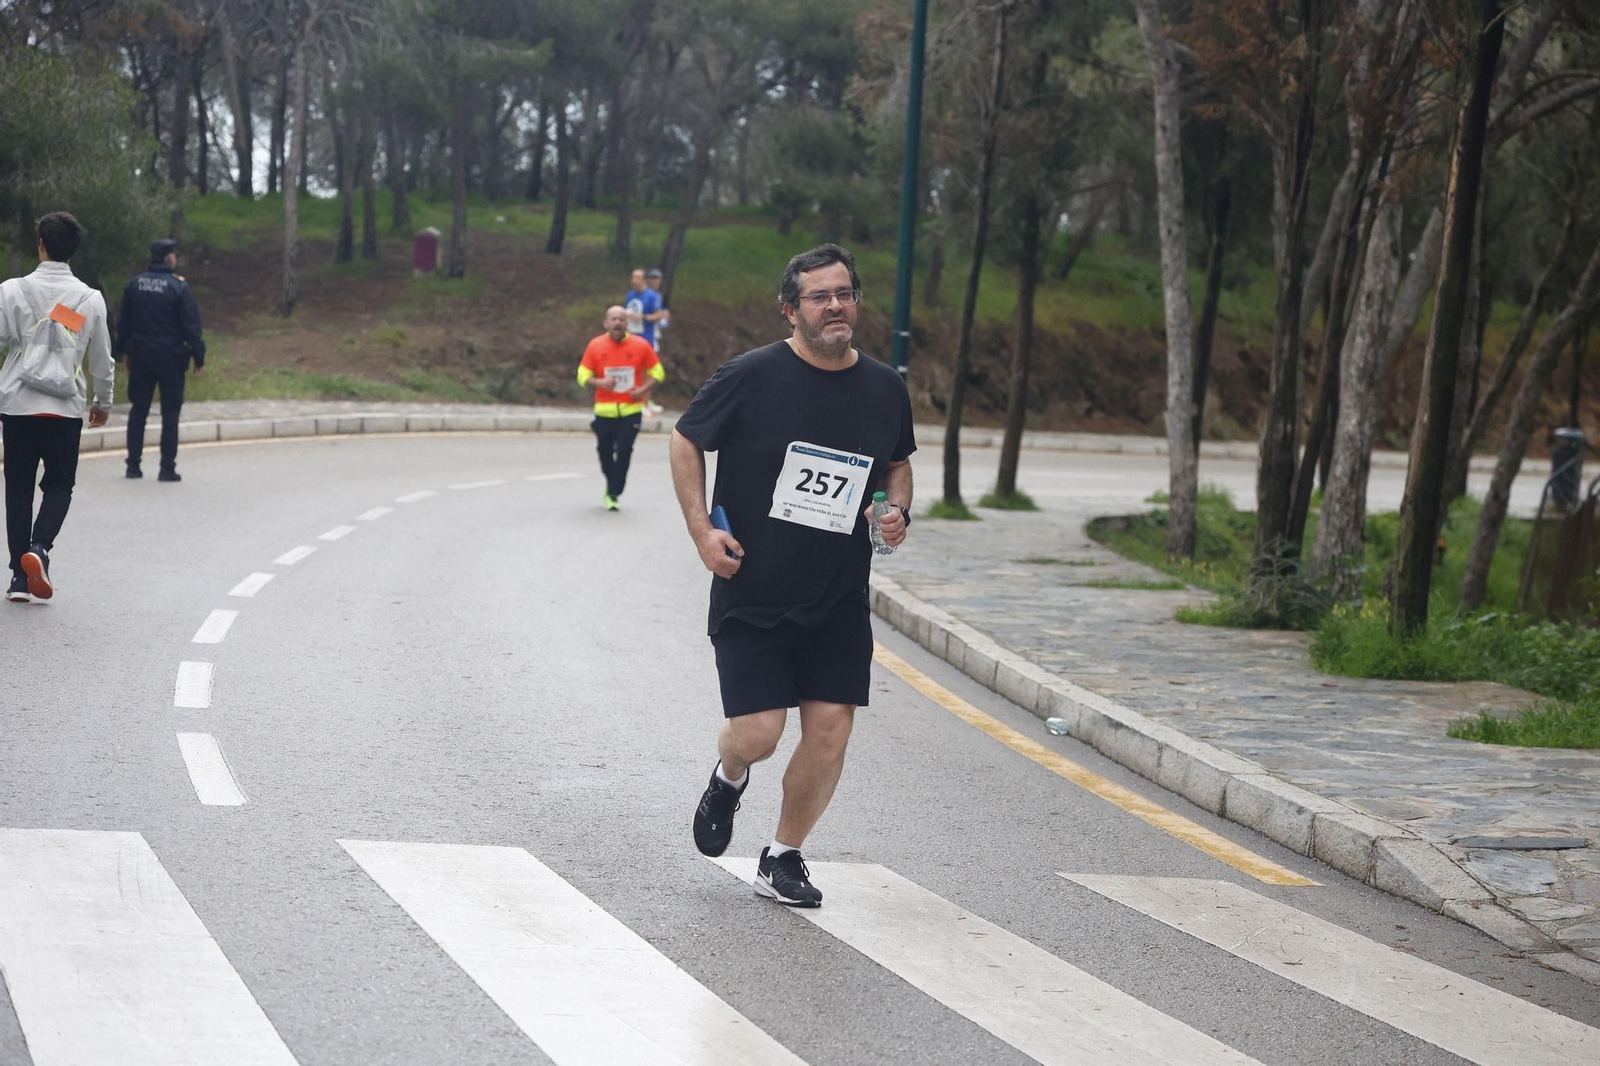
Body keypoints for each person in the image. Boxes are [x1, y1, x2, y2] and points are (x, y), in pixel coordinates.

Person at [671, 243, 914, 907]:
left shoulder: (885, 386)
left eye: (844, 292)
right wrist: (702, 531)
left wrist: (895, 513)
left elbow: (896, 463)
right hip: (753, 587)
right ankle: (729, 776)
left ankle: (783, 855)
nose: (835, 305)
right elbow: (686, 438)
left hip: (837, 596)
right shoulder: (750, 376)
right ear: (790, 308)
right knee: (759, 734)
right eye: (819, 295)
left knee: (831, 729)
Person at [0, 212, 114, 603]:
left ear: (41, 245)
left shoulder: (10, 291)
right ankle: (40, 548)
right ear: (73, 251)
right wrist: (103, 401)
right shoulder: (89, 299)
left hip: (17, 404)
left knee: (17, 490)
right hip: (64, 408)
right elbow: (101, 357)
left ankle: (18, 578)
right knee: (60, 485)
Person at [118, 237, 205, 482]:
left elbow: (124, 323)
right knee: (170, 413)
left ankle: (132, 466)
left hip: (141, 357)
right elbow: (191, 327)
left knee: (138, 411)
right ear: (169, 258)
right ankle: (167, 468)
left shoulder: (134, 285)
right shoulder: (179, 287)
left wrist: (126, 351)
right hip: (170, 359)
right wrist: (199, 356)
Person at [577, 305, 663, 511]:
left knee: (624, 450)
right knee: (604, 451)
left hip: (630, 410)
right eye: (613, 319)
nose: (617, 322)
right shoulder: (595, 346)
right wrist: (600, 383)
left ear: (627, 323)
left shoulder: (640, 346)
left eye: (622, 319)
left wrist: (642, 389)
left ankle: (614, 490)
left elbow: (658, 372)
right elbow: (581, 375)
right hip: (604, 410)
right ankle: (611, 486)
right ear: (606, 323)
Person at [643, 267, 669, 416]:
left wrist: (664, 319)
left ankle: (648, 398)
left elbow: (662, 317)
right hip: (646, 337)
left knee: (652, 370)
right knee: (646, 370)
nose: (655, 281)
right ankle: (643, 401)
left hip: (655, 336)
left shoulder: (658, 296)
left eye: (657, 279)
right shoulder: (646, 296)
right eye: (653, 278)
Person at [622, 267, 665, 351]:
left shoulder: (652, 296)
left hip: (645, 338)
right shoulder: (630, 295)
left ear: (644, 280)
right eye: (632, 277)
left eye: (637, 278)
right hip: (630, 337)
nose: (633, 281)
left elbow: (659, 315)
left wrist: (642, 317)